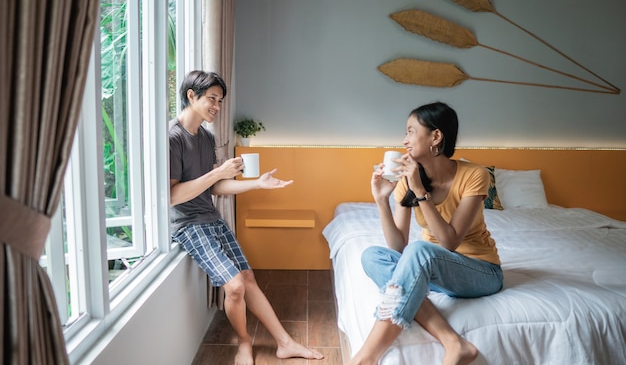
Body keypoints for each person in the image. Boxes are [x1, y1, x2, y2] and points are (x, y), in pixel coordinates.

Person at [169, 70, 323, 365]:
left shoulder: (206, 136)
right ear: (191, 95)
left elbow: (216, 187)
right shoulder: (173, 137)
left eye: (220, 101)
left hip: (210, 217)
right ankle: (243, 342)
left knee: (248, 278)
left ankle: (285, 343)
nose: (217, 106)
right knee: (235, 286)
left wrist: (256, 183)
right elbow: (173, 196)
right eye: (212, 99)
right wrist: (219, 171)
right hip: (188, 225)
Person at [347, 102, 503, 365]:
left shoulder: (474, 175)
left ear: (436, 136)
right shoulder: (406, 180)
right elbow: (398, 247)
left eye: (410, 131)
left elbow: (449, 242)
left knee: (420, 250)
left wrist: (420, 192)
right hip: (432, 269)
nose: (404, 140)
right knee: (372, 256)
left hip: (481, 271)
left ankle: (366, 358)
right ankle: (454, 342)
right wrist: (382, 200)